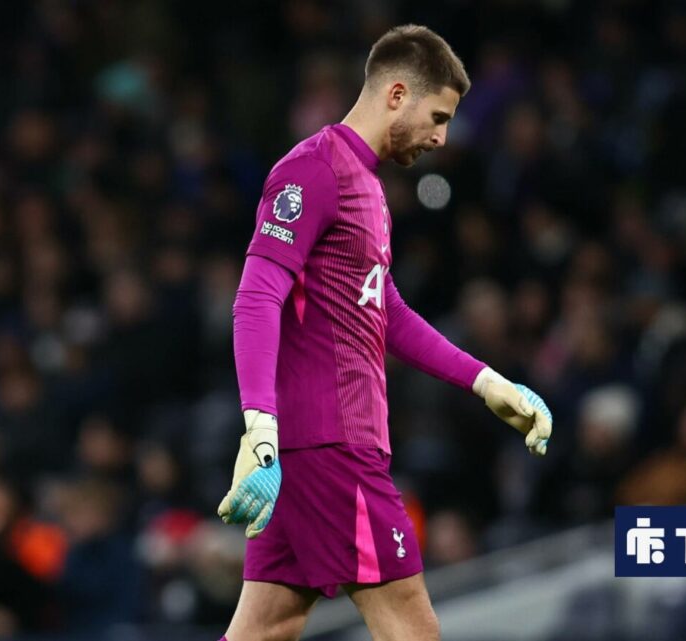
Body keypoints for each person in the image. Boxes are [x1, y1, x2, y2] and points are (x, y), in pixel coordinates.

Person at [216, 25, 553, 641]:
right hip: (333, 447)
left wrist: (485, 381)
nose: (442, 137)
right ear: (396, 94)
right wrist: (258, 423)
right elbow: (256, 297)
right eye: (438, 116)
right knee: (412, 625)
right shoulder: (313, 171)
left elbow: (385, 310)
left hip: (314, 452)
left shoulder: (367, 186)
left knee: (263, 630)